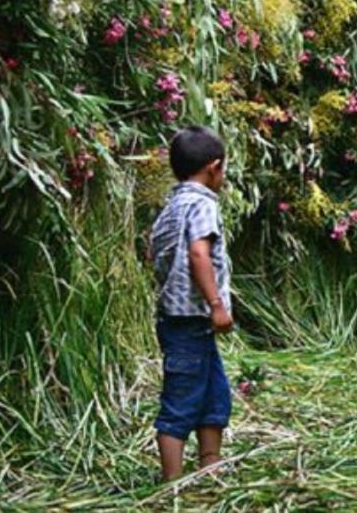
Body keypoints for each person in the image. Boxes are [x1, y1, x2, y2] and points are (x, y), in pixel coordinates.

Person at [147, 125, 235, 482]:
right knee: (180, 404)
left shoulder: (171, 207)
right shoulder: (202, 204)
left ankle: (209, 470)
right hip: (190, 320)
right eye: (224, 169)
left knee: (215, 397)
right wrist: (217, 304)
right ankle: (172, 486)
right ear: (214, 167)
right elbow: (200, 252)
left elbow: (151, 252)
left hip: (183, 321)